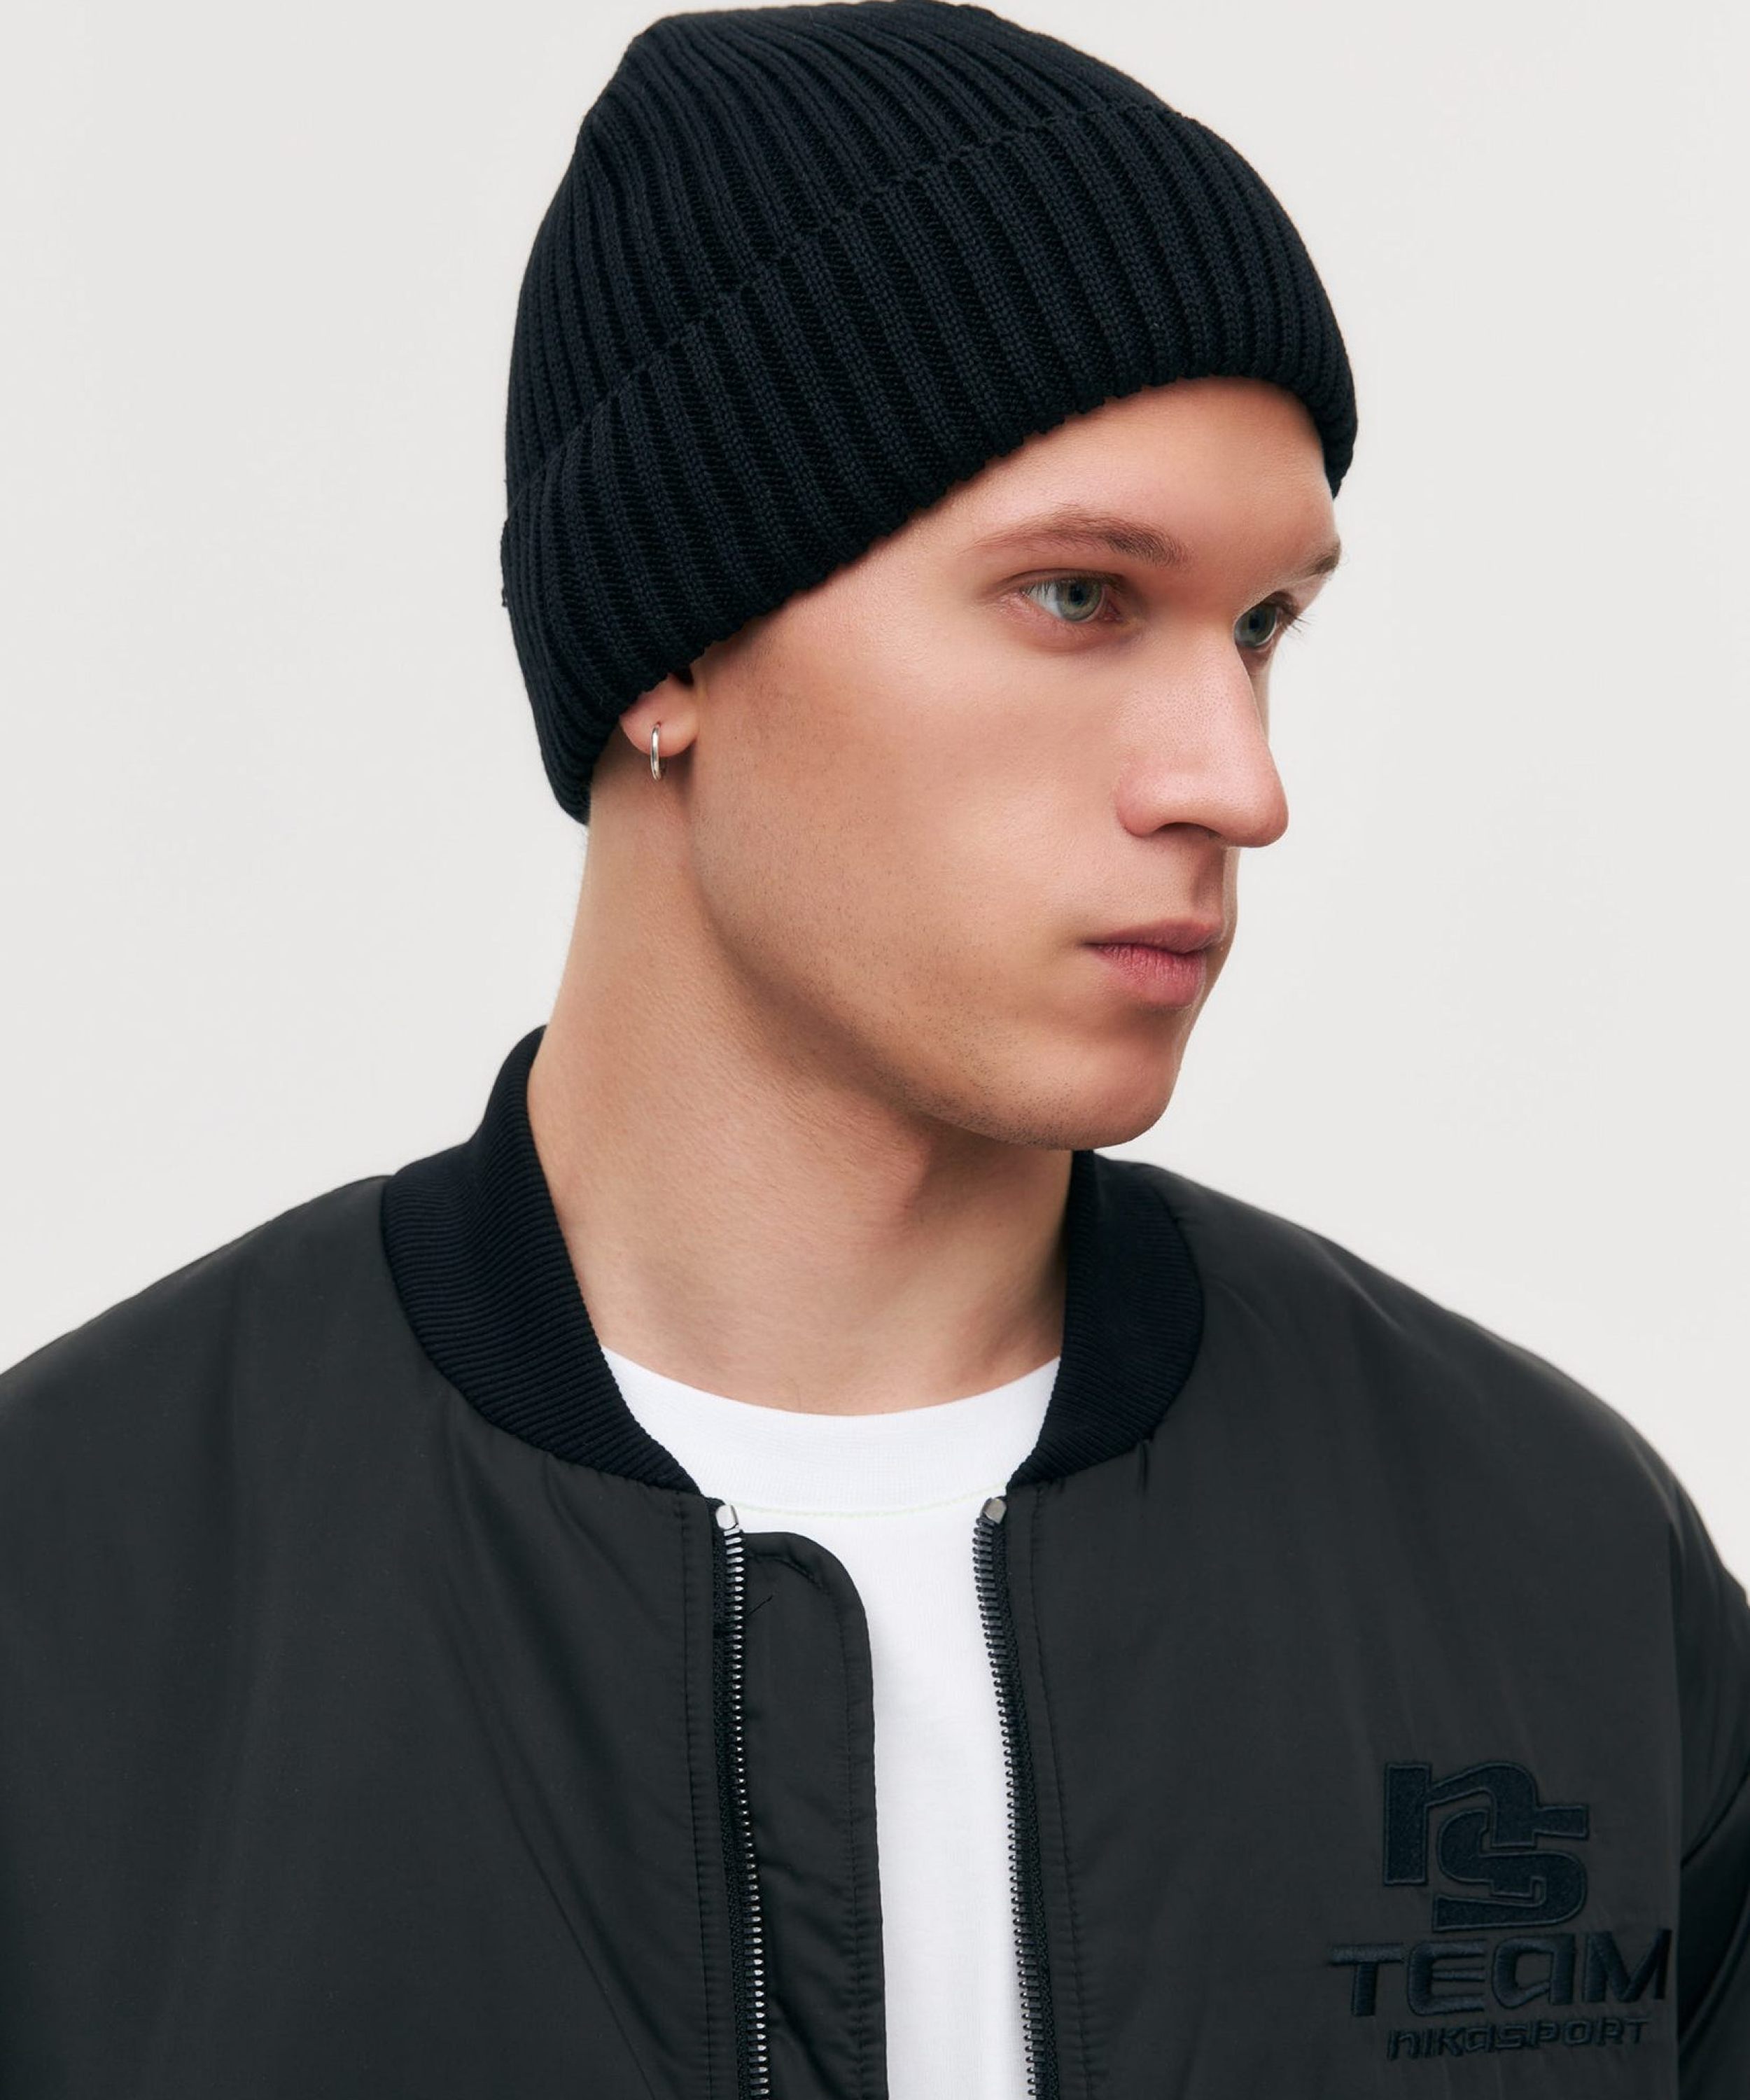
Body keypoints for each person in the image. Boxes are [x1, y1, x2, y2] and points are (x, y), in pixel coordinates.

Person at [2, 1, 1745, 2093]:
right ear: (669, 646)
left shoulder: (1553, 1563)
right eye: (1079, 597)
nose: (1239, 780)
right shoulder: (71, 1594)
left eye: (1262, 626)